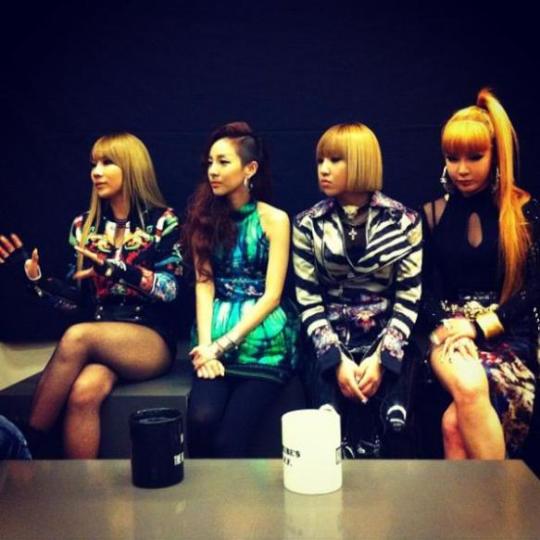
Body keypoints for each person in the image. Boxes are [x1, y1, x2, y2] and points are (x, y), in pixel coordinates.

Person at [0, 133, 183, 458]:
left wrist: (119, 270)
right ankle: (83, 485)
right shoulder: (84, 226)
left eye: (107, 163)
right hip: (99, 334)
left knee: (78, 336)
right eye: (93, 164)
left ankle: (26, 448)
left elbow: (170, 290)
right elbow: (75, 301)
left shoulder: (163, 221)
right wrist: (35, 279)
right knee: (84, 393)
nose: (96, 172)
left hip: (149, 338)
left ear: (131, 167)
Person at [421, 88, 539, 459]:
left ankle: (479, 501)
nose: (462, 169)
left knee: (453, 425)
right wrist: (448, 326)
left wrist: (481, 326)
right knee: (470, 386)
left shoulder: (523, 211)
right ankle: (506, 497)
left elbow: (534, 288)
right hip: (448, 332)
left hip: (509, 331)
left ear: (495, 155)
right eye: (452, 157)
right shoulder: (431, 214)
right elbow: (420, 291)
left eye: (475, 157)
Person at [292, 123, 422, 457]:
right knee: (327, 421)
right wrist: (336, 361)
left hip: (386, 331)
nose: (323, 169)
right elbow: (308, 300)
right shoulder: (307, 224)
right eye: (320, 160)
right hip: (329, 333)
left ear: (363, 161)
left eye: (335, 160)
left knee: (396, 423)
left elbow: (409, 298)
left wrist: (382, 358)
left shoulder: (404, 221)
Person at [182, 121, 298, 457]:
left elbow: (272, 295)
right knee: (201, 420)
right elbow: (204, 283)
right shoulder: (203, 218)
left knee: (228, 441)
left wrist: (222, 345)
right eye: (210, 163)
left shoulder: (274, 219)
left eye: (223, 162)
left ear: (250, 169)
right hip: (214, 331)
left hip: (264, 341)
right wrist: (206, 347)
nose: (213, 171)